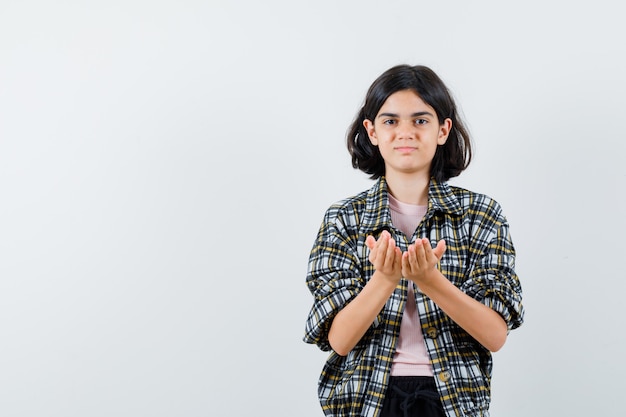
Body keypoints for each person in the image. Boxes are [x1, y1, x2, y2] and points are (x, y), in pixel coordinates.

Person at [303, 64, 524, 417]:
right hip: (366, 399)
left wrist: (430, 281)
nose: (405, 132)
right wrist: (385, 279)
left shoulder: (480, 214)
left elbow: (495, 336)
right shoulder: (343, 218)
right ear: (372, 131)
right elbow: (339, 341)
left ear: (443, 130)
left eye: (420, 120)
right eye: (391, 121)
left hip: (453, 399)